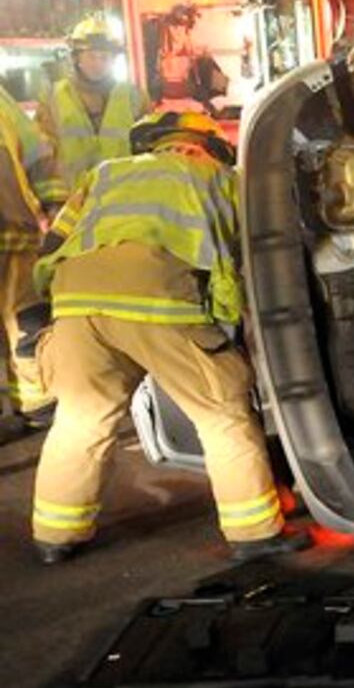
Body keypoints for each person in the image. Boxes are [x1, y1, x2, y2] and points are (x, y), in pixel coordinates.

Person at [28, 110, 308, 566]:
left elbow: (55, 241)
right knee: (222, 414)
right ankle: (254, 531)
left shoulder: (104, 174)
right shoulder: (220, 178)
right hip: (157, 302)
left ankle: (55, 535)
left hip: (75, 304)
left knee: (82, 417)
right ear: (211, 145)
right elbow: (259, 253)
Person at [37, 13, 151, 202]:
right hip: (72, 203)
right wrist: (53, 203)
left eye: (104, 57)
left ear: (114, 60)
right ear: (77, 59)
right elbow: (43, 156)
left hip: (123, 201)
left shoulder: (135, 97)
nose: (98, 63)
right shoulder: (54, 98)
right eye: (91, 56)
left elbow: (149, 153)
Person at [0, 87, 59, 432]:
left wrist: (53, 203)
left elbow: (38, 155)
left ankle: (37, 402)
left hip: (15, 229)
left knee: (27, 321)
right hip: (15, 225)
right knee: (25, 319)